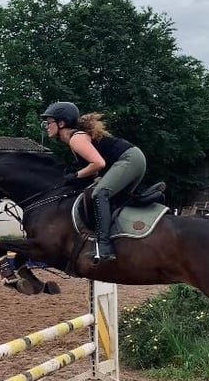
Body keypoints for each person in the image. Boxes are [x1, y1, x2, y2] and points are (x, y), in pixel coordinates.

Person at [40, 101, 147, 261]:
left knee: (100, 194)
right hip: (133, 158)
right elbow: (95, 171)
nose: (47, 126)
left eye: (49, 123)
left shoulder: (76, 139)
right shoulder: (76, 139)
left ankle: (104, 247)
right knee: (106, 196)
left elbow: (98, 164)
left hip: (129, 159)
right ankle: (145, 199)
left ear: (61, 123)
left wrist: (76, 175)